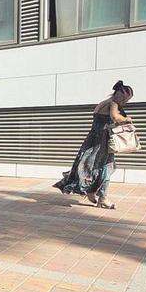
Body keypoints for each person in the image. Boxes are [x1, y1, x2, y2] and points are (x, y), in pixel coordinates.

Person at [54, 80, 134, 209]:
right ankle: (103, 197)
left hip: (93, 140)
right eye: (125, 98)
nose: (125, 102)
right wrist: (126, 119)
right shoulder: (113, 104)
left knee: (91, 167)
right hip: (102, 142)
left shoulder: (103, 103)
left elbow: (103, 123)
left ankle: (91, 191)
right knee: (107, 168)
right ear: (119, 94)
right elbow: (114, 117)